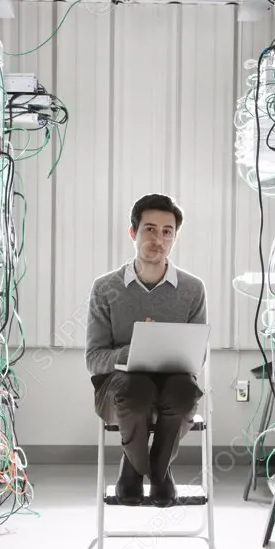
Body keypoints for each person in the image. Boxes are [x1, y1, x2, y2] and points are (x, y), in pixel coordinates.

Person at [84, 194, 207, 506]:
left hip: (173, 383)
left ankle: (149, 469)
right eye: (150, 229)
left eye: (167, 231)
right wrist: (134, 350)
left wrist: (164, 346)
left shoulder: (192, 289)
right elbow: (94, 358)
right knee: (137, 390)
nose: (159, 239)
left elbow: (196, 358)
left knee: (184, 392)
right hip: (119, 386)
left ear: (175, 237)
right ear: (133, 233)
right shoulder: (106, 287)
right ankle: (150, 470)